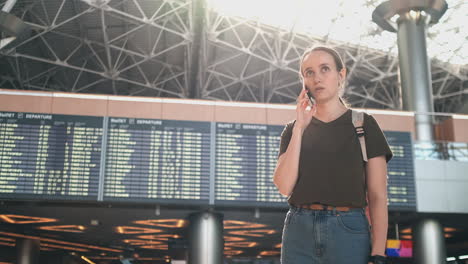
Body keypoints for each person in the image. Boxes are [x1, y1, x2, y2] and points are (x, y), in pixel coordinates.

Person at [273, 45, 393, 264]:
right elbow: (283, 186)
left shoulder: (364, 125)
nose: (317, 77)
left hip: (349, 231)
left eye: (325, 69)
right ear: (304, 82)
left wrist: (378, 253)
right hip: (298, 230)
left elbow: (377, 196)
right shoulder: (293, 129)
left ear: (341, 75)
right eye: (309, 72)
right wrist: (300, 128)